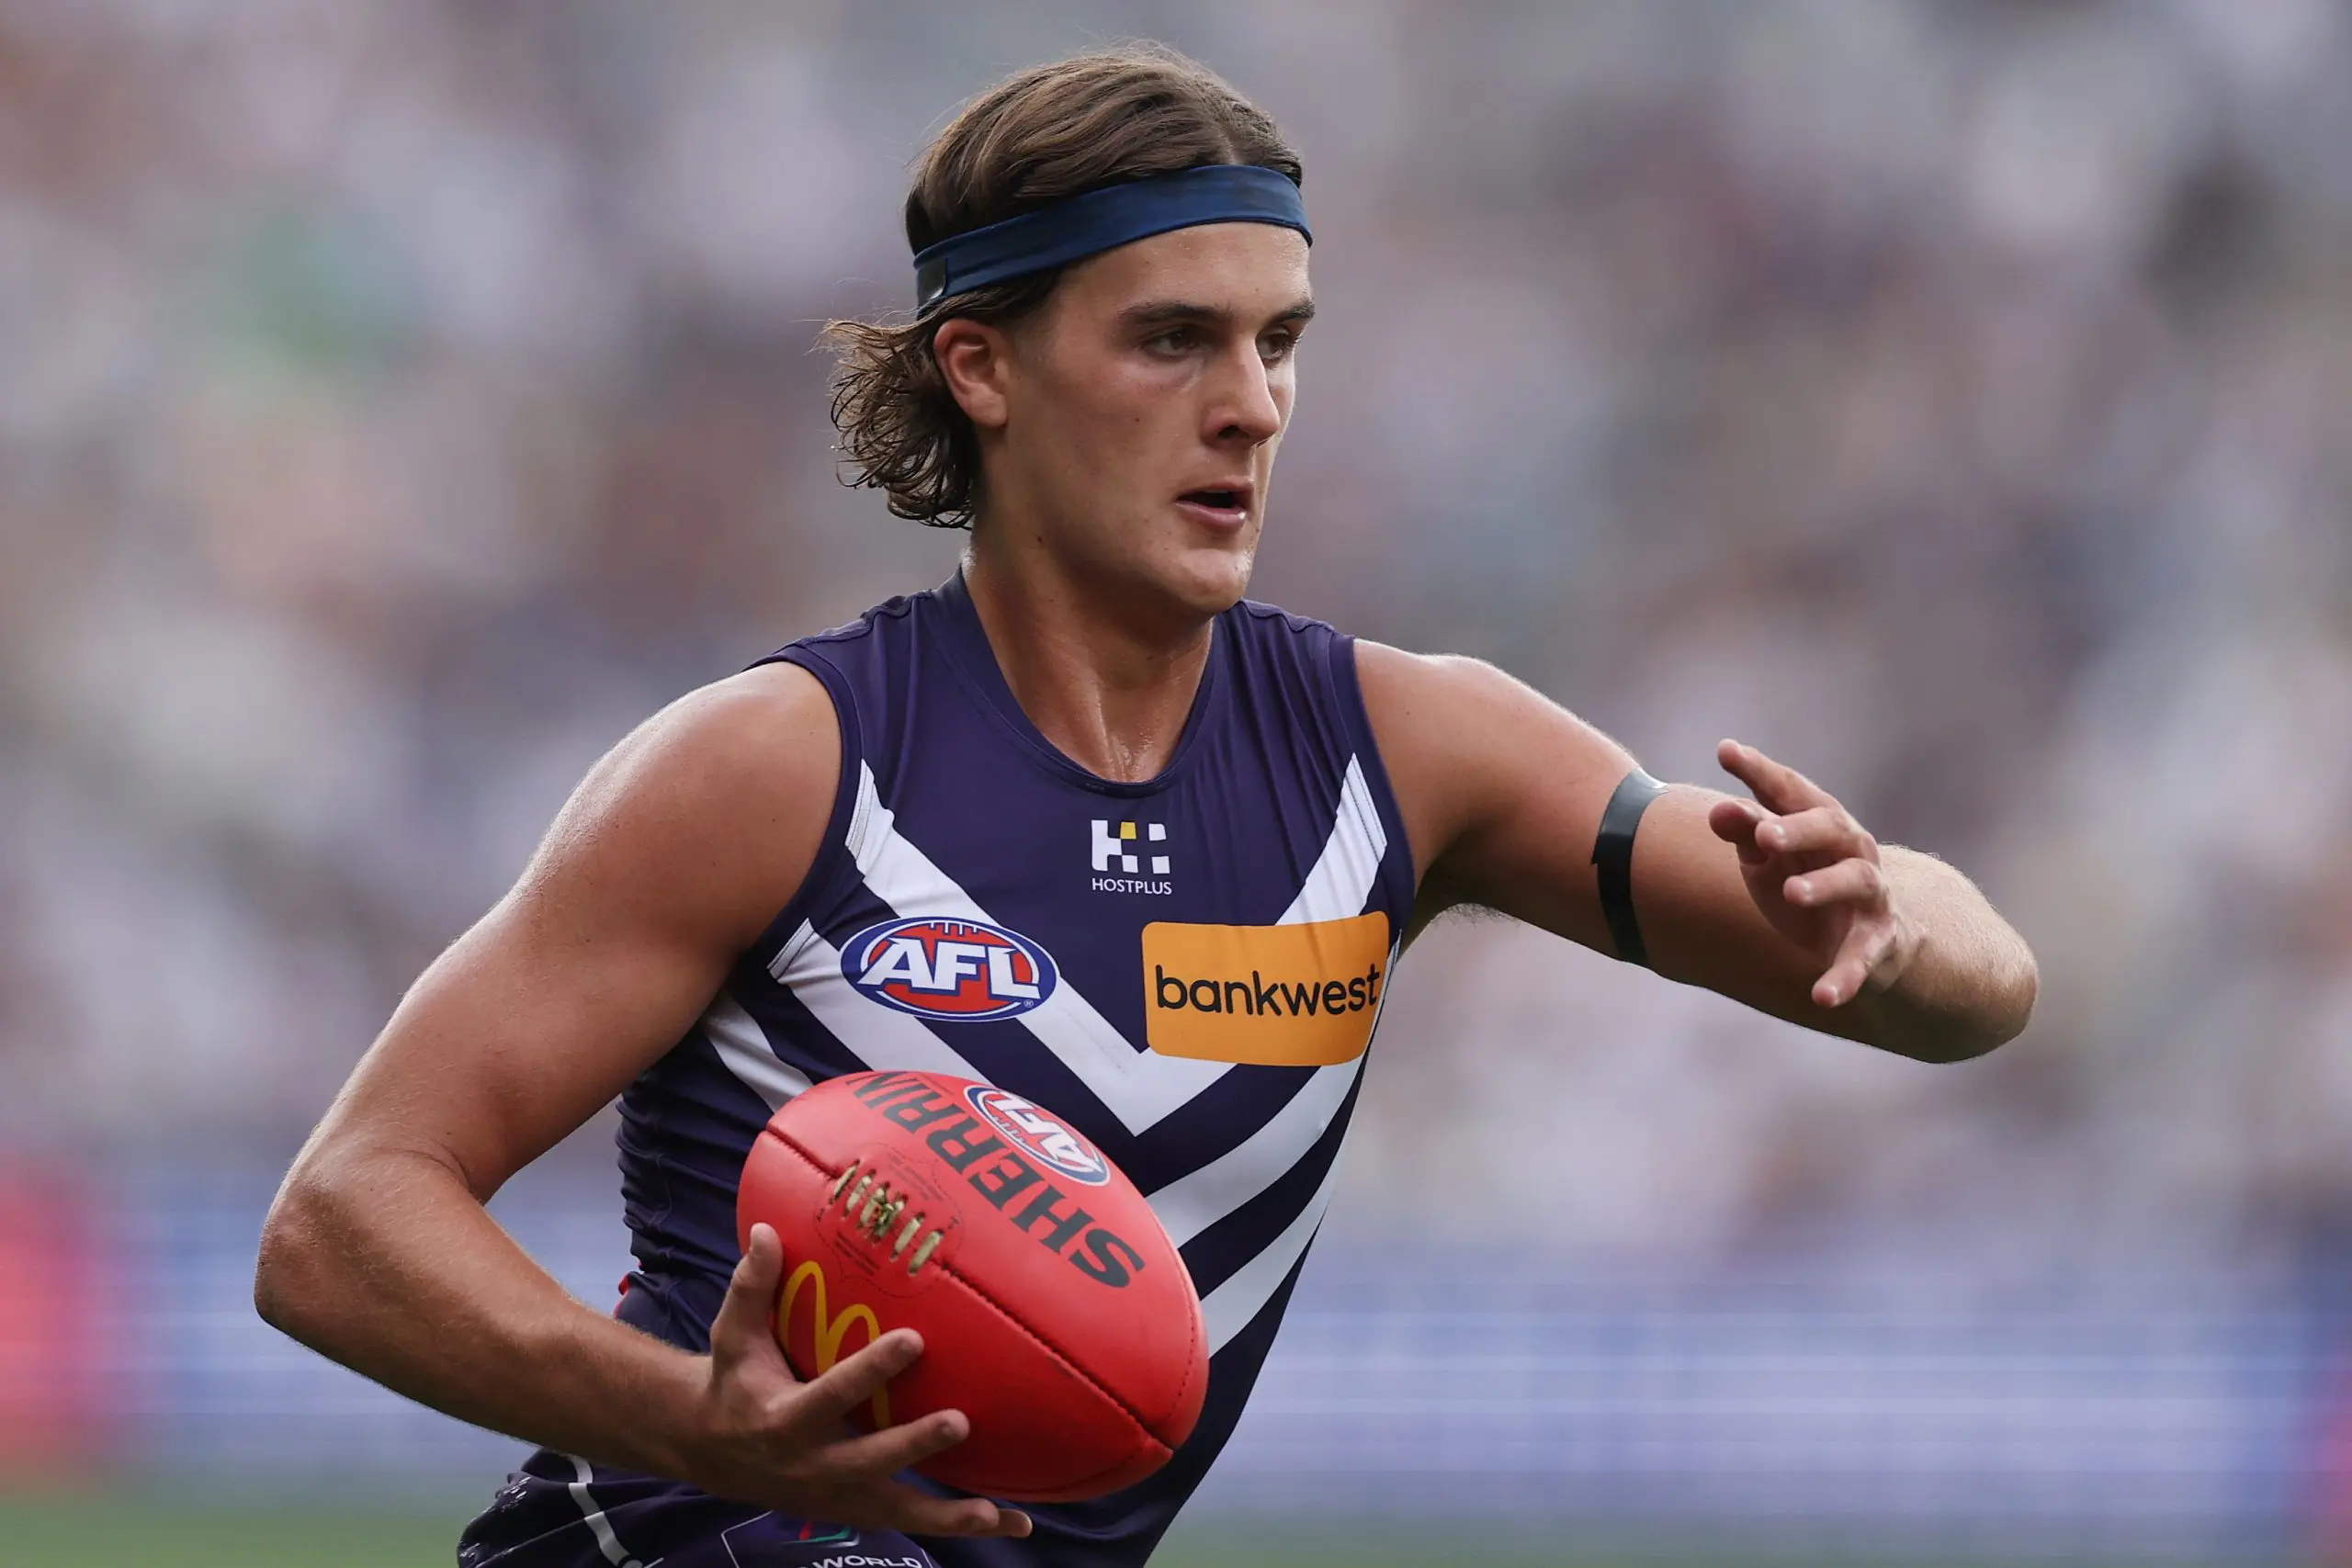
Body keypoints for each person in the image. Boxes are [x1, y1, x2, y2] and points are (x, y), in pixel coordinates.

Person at [253, 43, 2039, 1568]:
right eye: (1172, 340)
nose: (1250, 406)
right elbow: (341, 1220)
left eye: (1280, 343)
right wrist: (696, 1425)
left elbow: (1978, 988)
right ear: (982, 368)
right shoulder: (778, 761)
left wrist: (1884, 922)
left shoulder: (1412, 756)